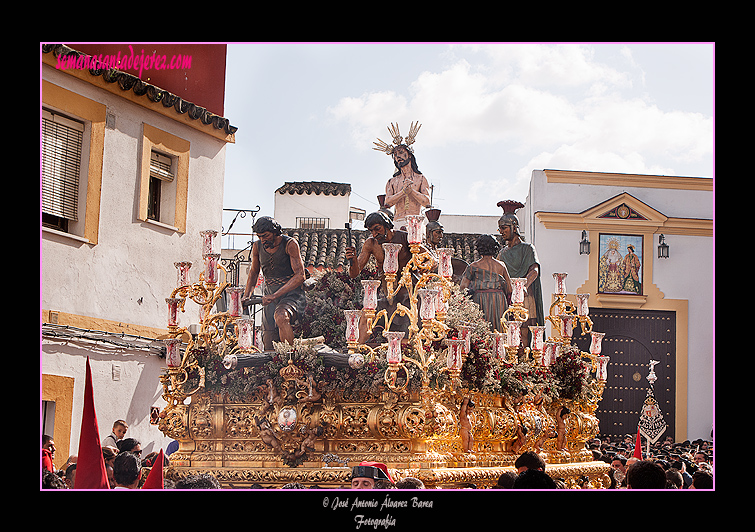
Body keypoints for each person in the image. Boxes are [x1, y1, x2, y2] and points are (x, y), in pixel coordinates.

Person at [345, 211, 432, 342]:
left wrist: (421, 268)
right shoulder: (371, 244)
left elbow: (431, 259)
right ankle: (356, 350)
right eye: (371, 231)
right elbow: (354, 273)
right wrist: (352, 261)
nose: (375, 234)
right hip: (388, 293)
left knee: (417, 321)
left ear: (386, 225)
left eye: (377, 229)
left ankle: (416, 348)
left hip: (409, 292)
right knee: (366, 315)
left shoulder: (406, 238)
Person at [243, 216, 306, 350]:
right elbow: (254, 272)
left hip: (292, 296)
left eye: (265, 236)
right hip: (269, 297)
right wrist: (246, 294)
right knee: (269, 338)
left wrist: (275, 295)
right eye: (259, 236)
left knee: (281, 316)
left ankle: (290, 358)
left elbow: (300, 276)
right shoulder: (257, 246)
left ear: (275, 232)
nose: (262, 240)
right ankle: (273, 367)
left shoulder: (290, 244)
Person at [496, 200, 544, 349]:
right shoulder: (502, 253)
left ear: (514, 227)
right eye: (500, 229)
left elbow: (534, 270)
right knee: (508, 331)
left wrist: (523, 287)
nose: (501, 232)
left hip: (525, 295)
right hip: (507, 296)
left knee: (524, 332)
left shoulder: (528, 248)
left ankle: (525, 363)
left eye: (504, 228)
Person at [374, 123, 430, 228]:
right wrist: (403, 192)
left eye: (400, 152)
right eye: (395, 155)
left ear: (409, 155)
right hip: (397, 220)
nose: (398, 156)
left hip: (415, 221)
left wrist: (411, 192)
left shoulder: (420, 178)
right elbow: (387, 202)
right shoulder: (392, 181)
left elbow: (427, 202)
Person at [460, 234, 512, 333]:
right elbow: (510, 289)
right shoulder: (501, 265)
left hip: (480, 299)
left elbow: (463, 287)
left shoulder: (473, 266)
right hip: (499, 300)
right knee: (500, 330)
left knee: (482, 331)